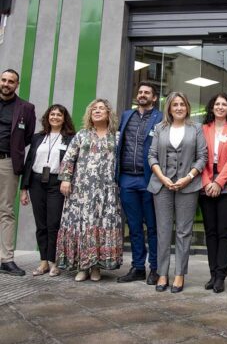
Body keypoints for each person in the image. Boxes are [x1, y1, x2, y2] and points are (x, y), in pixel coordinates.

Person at [56, 99, 123, 282]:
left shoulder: (117, 137)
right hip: (81, 190)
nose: (98, 111)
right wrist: (66, 180)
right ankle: (82, 267)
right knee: (83, 226)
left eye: (102, 108)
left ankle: (96, 268)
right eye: (94, 108)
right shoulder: (82, 135)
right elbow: (69, 158)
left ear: (109, 113)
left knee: (101, 226)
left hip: (107, 191)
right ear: (89, 114)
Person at [148, 92, 207, 293]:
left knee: (184, 231)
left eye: (182, 104)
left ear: (187, 107)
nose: (179, 108)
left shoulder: (196, 128)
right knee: (163, 231)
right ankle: (162, 273)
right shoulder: (159, 128)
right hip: (161, 185)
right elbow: (152, 156)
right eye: (175, 105)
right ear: (169, 108)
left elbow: (202, 157)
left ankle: (180, 273)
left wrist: (188, 177)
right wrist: (163, 178)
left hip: (188, 186)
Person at [20, 104, 75, 277]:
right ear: (47, 117)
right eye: (52, 114)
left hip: (56, 183)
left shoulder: (70, 138)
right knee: (41, 224)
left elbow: (73, 163)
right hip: (37, 181)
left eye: (59, 115)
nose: (55, 117)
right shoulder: (38, 137)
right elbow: (29, 163)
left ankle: (54, 262)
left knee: (53, 224)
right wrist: (24, 189)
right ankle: (43, 261)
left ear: (64, 118)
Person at [116, 82, 163, 285]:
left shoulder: (161, 118)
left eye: (147, 93)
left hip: (149, 178)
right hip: (127, 178)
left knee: (152, 226)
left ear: (154, 98)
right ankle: (137, 267)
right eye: (140, 92)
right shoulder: (127, 115)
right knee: (133, 226)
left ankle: (155, 268)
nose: (142, 95)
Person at [200, 93, 227, 293]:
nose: (220, 107)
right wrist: (208, 181)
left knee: (225, 232)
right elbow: (199, 157)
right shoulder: (203, 129)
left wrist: (218, 182)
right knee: (211, 232)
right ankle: (212, 273)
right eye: (216, 103)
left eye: (224, 104)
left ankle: (221, 275)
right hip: (206, 183)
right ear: (211, 107)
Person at [0, 69, 36, 276]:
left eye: (10, 81)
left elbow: (28, 136)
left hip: (7, 162)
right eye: (3, 80)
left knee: (6, 211)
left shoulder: (26, 108)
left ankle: (6, 259)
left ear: (17, 84)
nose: (6, 84)